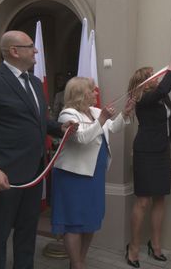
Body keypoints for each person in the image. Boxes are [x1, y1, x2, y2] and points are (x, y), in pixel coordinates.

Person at [0, 30, 73, 269]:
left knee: (26, 234)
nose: (36, 51)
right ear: (14, 51)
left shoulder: (33, 81)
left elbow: (36, 120)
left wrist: (59, 127)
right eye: (31, 46)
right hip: (4, 175)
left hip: (33, 173)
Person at [125, 33, 171, 268]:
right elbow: (165, 83)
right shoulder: (142, 98)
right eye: (151, 76)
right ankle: (133, 248)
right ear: (143, 82)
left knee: (160, 200)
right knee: (143, 202)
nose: (156, 77)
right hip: (146, 153)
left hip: (162, 151)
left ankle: (155, 245)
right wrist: (169, 68)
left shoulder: (160, 94)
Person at [51, 77, 135, 269]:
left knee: (89, 219)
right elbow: (81, 138)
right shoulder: (67, 114)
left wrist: (125, 114)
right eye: (92, 90)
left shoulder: (96, 112)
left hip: (94, 175)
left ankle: (80, 260)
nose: (96, 93)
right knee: (74, 221)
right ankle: (76, 264)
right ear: (81, 93)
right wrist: (103, 118)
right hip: (73, 176)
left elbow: (112, 127)